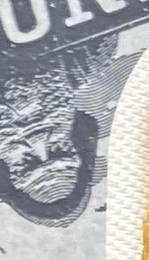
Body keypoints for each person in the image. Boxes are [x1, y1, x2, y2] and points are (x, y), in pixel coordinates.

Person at [0, 36, 115, 228]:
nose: (37, 142)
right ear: (76, 136)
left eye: (25, 162)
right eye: (59, 148)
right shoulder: (91, 48)